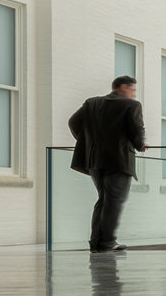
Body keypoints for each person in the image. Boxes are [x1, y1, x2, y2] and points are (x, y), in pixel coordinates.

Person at [70, 75, 149, 253]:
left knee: (103, 200)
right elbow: (137, 131)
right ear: (122, 87)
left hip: (94, 160)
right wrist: (140, 145)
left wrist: (87, 142)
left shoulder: (92, 103)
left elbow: (73, 123)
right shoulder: (132, 105)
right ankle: (106, 243)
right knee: (114, 202)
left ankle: (96, 242)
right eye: (132, 89)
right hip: (119, 160)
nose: (134, 94)